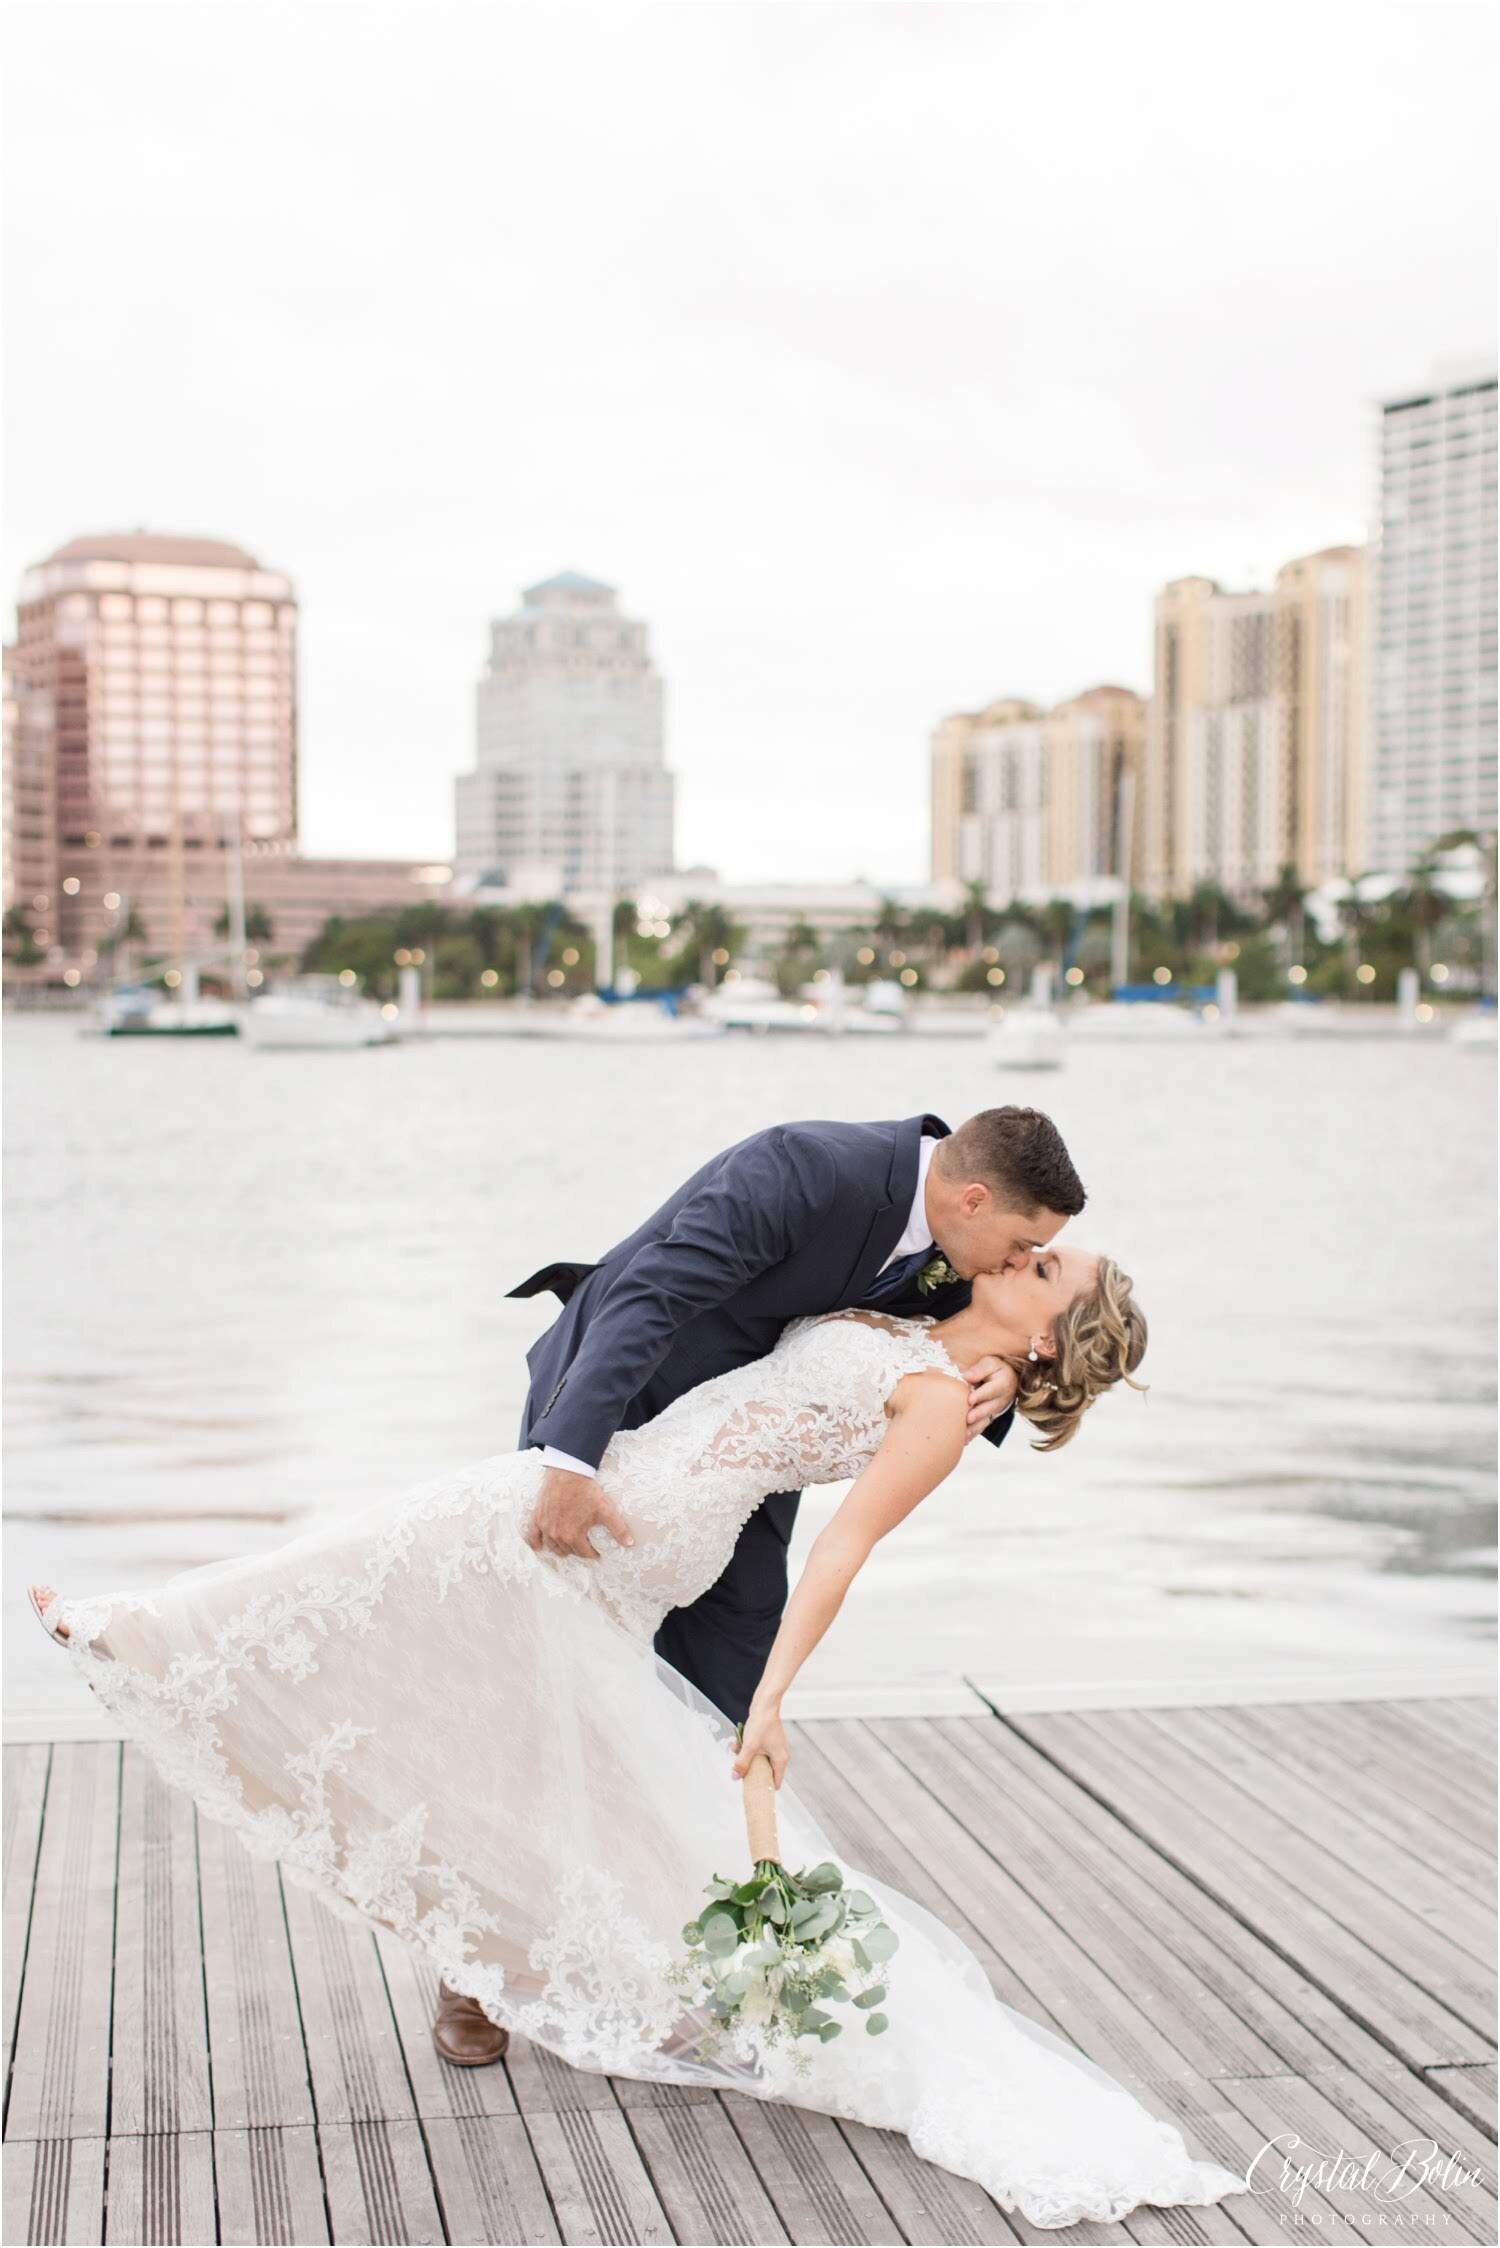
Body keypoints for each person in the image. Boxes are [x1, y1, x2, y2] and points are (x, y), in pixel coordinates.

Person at [31, 1152, 1250, 2227]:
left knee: (404, 1549)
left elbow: (842, 1549)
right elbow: (699, 1285)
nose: (1027, 1257)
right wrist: (994, 1374)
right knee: (517, 1680)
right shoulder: (909, 1289)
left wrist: (774, 1700)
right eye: (1032, 1245)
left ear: (1042, 1333)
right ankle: (544, 1946)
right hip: (630, 1456)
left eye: (1045, 1269)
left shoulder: (937, 1396)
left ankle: (145, 1635)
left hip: (656, 1515)